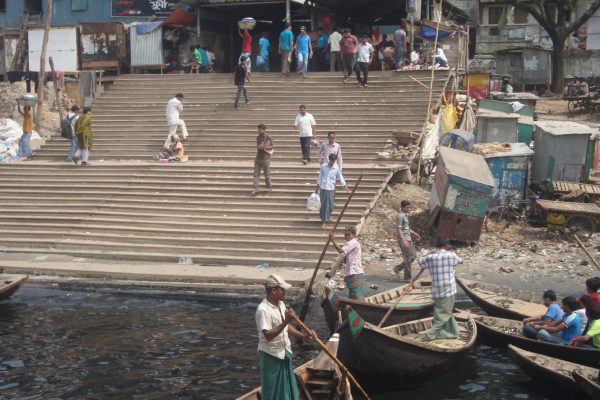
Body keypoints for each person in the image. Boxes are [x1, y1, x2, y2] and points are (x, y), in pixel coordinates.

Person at [255, 274, 312, 400]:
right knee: (271, 391)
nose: (285, 293)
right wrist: (286, 320)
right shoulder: (263, 309)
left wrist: (303, 335)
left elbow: (285, 327)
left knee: (287, 389)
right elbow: (268, 335)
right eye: (282, 290)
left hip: (284, 351)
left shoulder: (280, 304)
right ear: (274, 290)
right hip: (271, 354)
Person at [417, 237, 463, 340]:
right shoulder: (451, 256)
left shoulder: (431, 257)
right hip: (449, 290)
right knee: (444, 313)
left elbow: (420, 262)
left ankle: (453, 332)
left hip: (437, 290)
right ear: (446, 246)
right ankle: (430, 334)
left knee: (443, 311)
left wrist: (429, 253)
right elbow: (461, 261)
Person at [329, 226, 365, 300]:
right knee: (353, 294)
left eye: (348, 234)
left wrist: (333, 241)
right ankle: (352, 308)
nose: (346, 236)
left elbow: (341, 251)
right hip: (353, 273)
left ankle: (358, 309)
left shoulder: (353, 242)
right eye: (345, 234)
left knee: (356, 295)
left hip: (355, 273)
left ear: (353, 235)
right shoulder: (351, 243)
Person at [315, 153, 347, 228]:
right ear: (329, 160)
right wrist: (317, 188)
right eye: (331, 160)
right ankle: (323, 221)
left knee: (330, 205)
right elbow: (320, 177)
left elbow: (340, 177)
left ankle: (328, 215)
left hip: (331, 189)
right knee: (324, 205)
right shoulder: (323, 166)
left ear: (335, 161)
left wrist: (345, 185)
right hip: (323, 188)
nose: (332, 162)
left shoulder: (336, 168)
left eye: (333, 161)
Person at [393, 200, 422, 282]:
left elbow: (406, 228)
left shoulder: (405, 215)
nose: (409, 209)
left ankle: (397, 268)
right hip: (404, 240)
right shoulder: (400, 216)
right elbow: (399, 229)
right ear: (402, 207)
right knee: (408, 258)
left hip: (408, 239)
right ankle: (407, 278)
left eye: (409, 207)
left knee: (413, 256)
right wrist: (404, 241)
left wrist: (414, 233)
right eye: (407, 207)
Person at [253, 123, 273, 194]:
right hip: (258, 157)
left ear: (264, 130)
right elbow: (258, 146)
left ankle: (269, 186)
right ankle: (256, 188)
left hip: (265, 158)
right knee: (256, 173)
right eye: (258, 130)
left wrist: (265, 147)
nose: (259, 131)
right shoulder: (258, 137)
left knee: (266, 173)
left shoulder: (268, 137)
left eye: (260, 130)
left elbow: (272, 146)